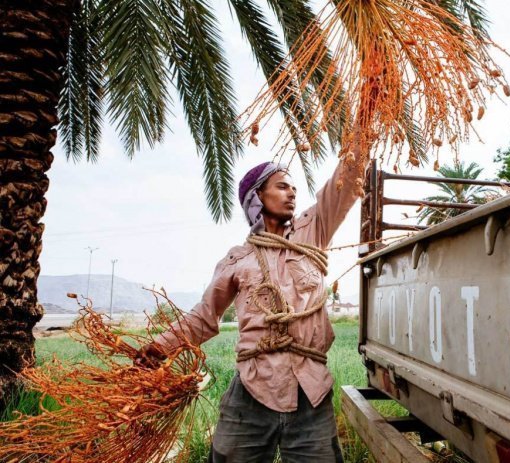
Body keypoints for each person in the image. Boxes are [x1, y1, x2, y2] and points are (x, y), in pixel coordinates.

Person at [137, 153, 366, 463]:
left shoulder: (312, 233)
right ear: (257, 196)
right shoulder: (237, 260)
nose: (293, 193)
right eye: (282, 186)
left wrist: (363, 128)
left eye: (294, 188)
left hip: (311, 394)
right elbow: (203, 317)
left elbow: (346, 181)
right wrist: (157, 350)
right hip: (251, 391)